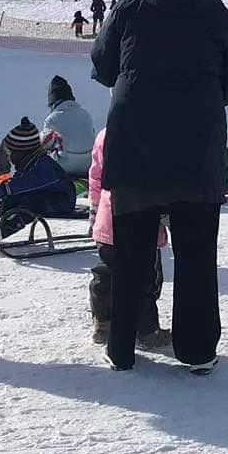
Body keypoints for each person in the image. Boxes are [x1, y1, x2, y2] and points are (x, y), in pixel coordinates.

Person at [89, 0, 228, 372]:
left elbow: (103, 65)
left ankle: (121, 349)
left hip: (134, 138)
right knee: (195, 253)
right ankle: (196, 351)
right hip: (195, 148)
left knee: (130, 251)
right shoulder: (217, 12)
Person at [87, 127, 168, 352]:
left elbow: (95, 178)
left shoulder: (105, 135)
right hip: (141, 219)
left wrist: (94, 214)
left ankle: (103, 324)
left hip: (107, 219)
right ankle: (146, 330)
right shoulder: (152, 134)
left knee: (106, 273)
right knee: (144, 277)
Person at [0, 118, 77, 216]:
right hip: (43, 194)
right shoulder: (29, 164)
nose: (9, 157)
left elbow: (23, 183)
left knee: (32, 203)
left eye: (10, 152)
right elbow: (16, 183)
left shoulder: (43, 165)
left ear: (20, 152)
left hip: (62, 202)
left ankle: (10, 224)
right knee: (15, 198)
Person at [42, 74, 97, 177]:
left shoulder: (51, 119)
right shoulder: (86, 115)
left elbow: (45, 145)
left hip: (64, 168)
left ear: (52, 103)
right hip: (87, 166)